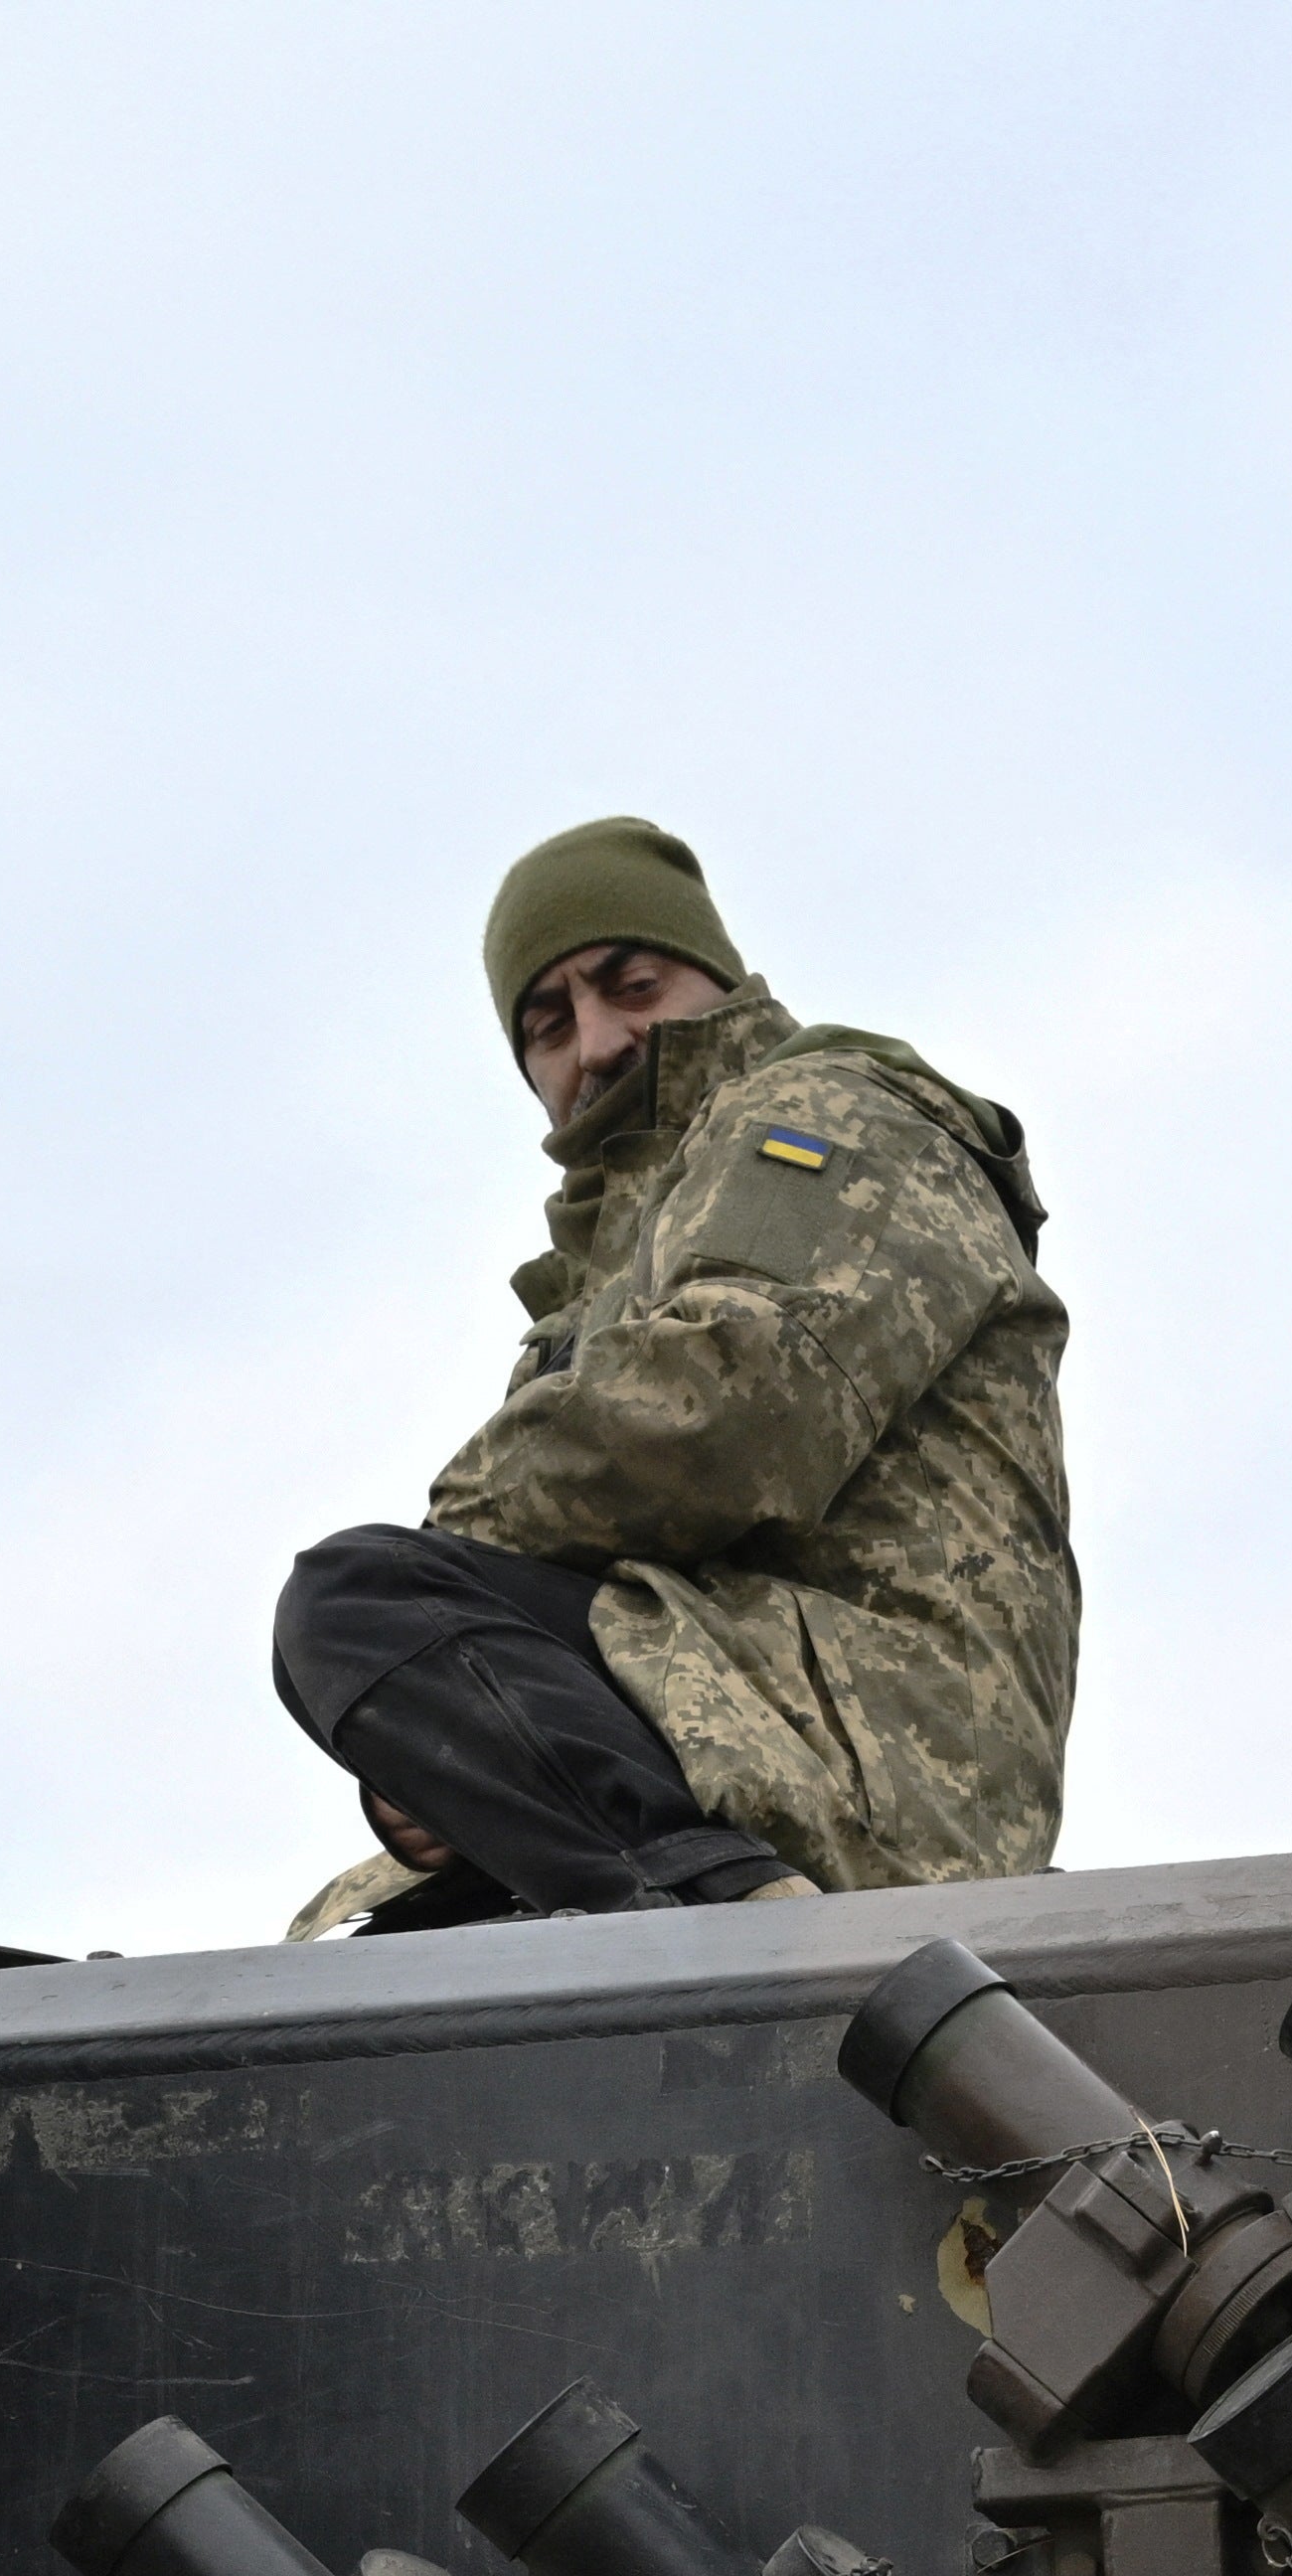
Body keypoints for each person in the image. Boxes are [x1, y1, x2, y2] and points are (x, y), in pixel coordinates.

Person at [281, 816, 1076, 1933]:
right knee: (368, 1955)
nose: (597, 1043)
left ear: (721, 978)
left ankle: (714, 1918)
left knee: (355, 1599)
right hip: (727, 1716)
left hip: (868, 1754)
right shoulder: (612, 1259)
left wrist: (448, 1563)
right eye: (548, 1024)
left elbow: (726, 1407)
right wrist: (433, 1757)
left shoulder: (828, 1111)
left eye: (632, 985)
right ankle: (667, 1893)